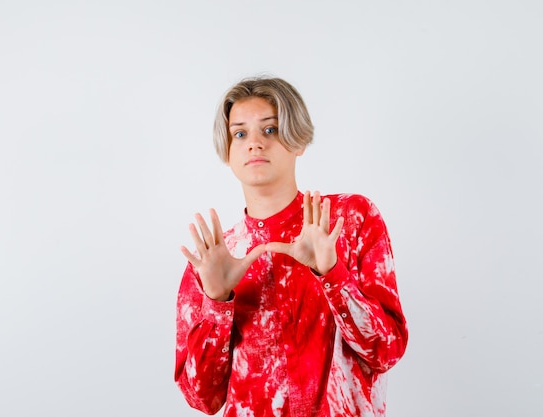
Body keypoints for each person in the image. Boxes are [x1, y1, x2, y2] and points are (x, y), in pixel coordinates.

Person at [174, 76, 408, 417]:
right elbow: (203, 399)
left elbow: (386, 352)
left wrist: (332, 274)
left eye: (269, 130)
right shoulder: (214, 258)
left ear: (298, 140)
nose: (254, 143)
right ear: (227, 150)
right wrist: (217, 301)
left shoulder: (349, 219)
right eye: (239, 133)